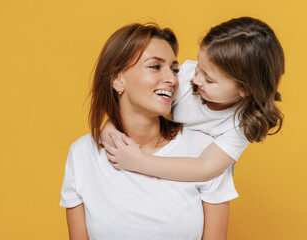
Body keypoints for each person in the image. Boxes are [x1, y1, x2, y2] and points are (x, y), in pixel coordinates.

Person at [60, 23, 238, 240]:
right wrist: (109, 130)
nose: (172, 79)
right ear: (117, 79)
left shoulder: (205, 150)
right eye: (155, 67)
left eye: (174, 69)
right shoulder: (82, 155)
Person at [102, 17, 285, 182]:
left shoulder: (243, 122)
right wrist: (110, 129)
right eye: (199, 68)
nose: (196, 80)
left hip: (194, 166)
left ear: (245, 89)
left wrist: (139, 162)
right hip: (163, 144)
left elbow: (205, 168)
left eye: (209, 79)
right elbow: (136, 105)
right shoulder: (185, 77)